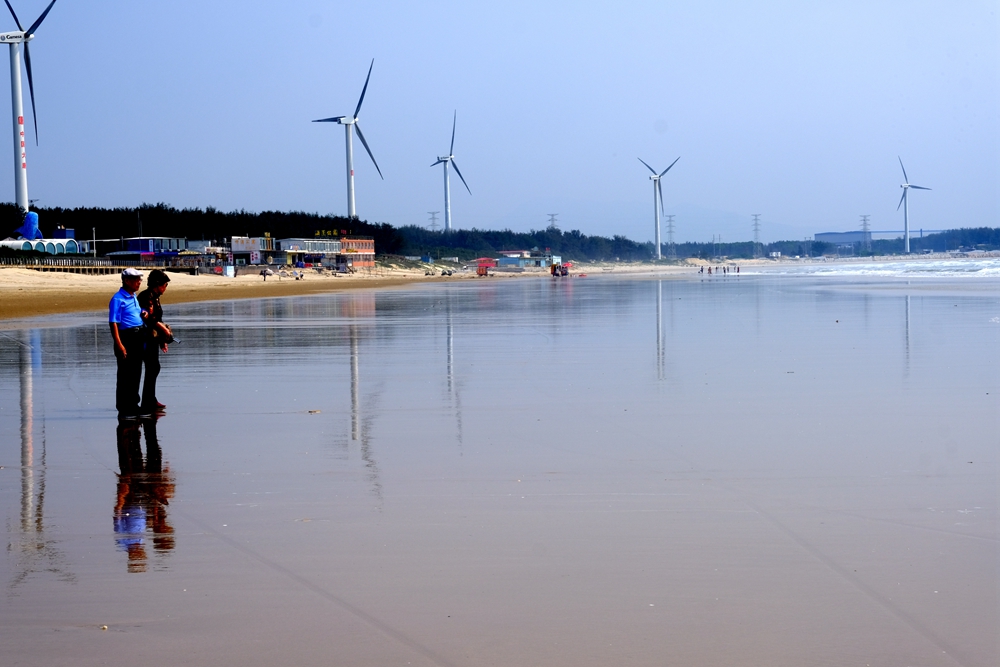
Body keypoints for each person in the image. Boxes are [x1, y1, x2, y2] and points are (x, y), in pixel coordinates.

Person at [109, 268, 145, 417]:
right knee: (125, 374)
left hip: (138, 336)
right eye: (136, 280)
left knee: (136, 372)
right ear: (127, 281)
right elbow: (113, 323)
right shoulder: (118, 299)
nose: (139, 282)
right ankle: (123, 407)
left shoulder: (133, 296)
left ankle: (133, 404)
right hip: (126, 337)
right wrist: (119, 344)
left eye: (139, 280)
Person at [138, 269, 172, 412]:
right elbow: (150, 319)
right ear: (157, 284)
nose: (165, 288)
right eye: (165, 285)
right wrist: (164, 330)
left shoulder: (155, 297)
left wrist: (162, 340)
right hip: (144, 337)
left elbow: (158, 319)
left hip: (152, 337)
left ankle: (150, 398)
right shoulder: (146, 297)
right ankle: (147, 400)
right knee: (152, 367)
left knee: (154, 367)